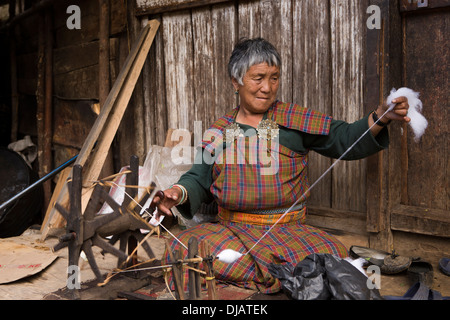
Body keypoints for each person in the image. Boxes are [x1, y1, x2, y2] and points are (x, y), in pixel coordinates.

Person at [151, 38, 410, 294]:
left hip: (289, 233)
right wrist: (176, 193)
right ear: (236, 81)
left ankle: (263, 278)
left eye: (274, 78)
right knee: (182, 249)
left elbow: (345, 138)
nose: (267, 87)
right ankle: (277, 279)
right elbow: (198, 178)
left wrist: (381, 116)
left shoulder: (292, 120)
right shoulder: (223, 130)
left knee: (332, 257)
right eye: (258, 77)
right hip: (232, 231)